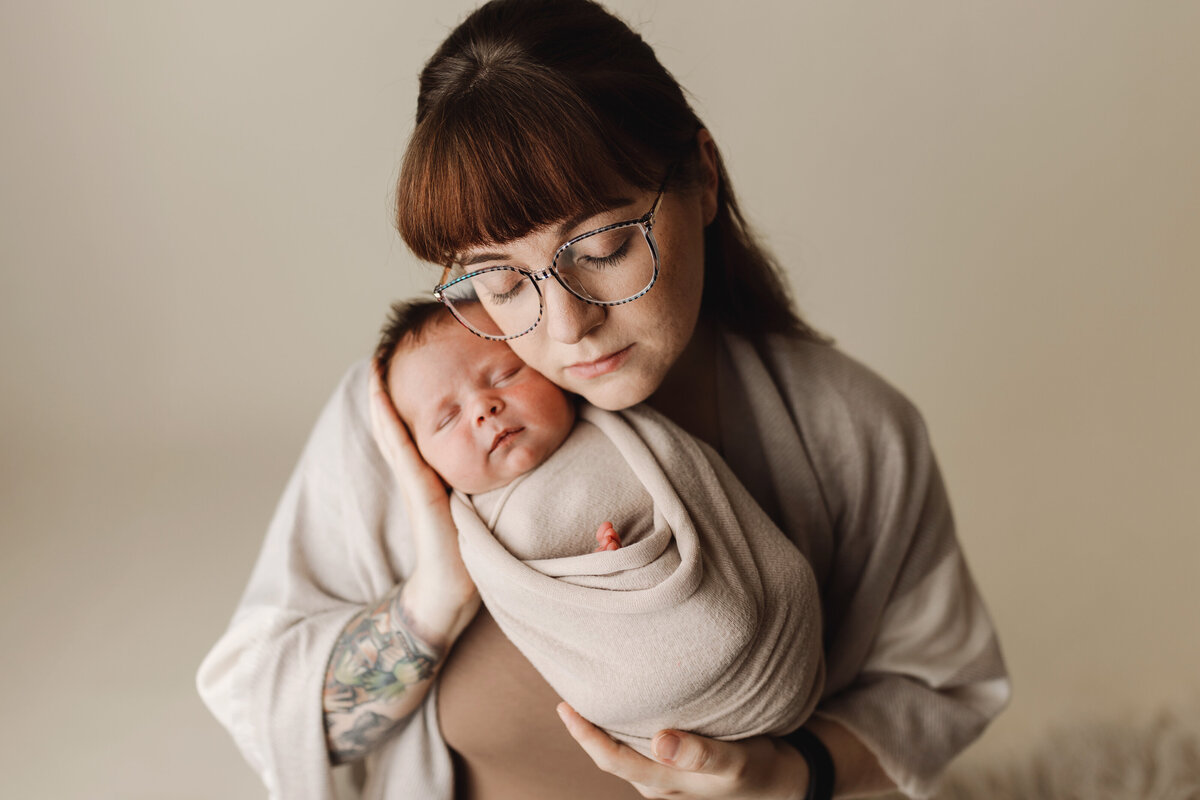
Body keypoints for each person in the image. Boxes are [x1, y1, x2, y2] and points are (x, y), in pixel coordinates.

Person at [197, 1, 1011, 798]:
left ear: (703, 178)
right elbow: (267, 706)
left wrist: (792, 777)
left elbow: (939, 689)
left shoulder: (854, 430)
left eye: (606, 246)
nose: (567, 324)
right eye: (500, 280)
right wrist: (433, 599)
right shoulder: (421, 415)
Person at [369, 298, 824, 756]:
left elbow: (692, 490)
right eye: (447, 419)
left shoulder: (617, 426)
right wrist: (612, 572)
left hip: (772, 647)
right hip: (643, 697)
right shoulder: (476, 526)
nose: (484, 409)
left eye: (505, 376)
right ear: (415, 454)